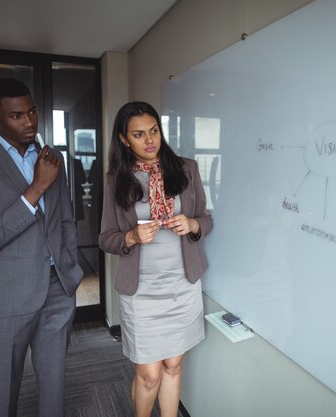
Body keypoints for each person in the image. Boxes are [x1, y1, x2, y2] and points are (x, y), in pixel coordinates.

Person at [0, 78, 83, 417]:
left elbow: (64, 219)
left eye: (32, 112)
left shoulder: (53, 157)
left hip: (58, 287)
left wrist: (71, 268)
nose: (28, 122)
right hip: (7, 295)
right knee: (1, 390)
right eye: (16, 116)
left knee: (54, 383)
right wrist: (36, 188)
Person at [99, 101, 212, 417]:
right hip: (142, 291)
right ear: (124, 140)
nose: (149, 140)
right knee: (148, 374)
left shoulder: (187, 169)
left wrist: (192, 224)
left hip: (182, 285)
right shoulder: (115, 181)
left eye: (154, 131)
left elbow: (206, 218)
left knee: (174, 365)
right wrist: (131, 237)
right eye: (138, 134)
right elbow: (105, 237)